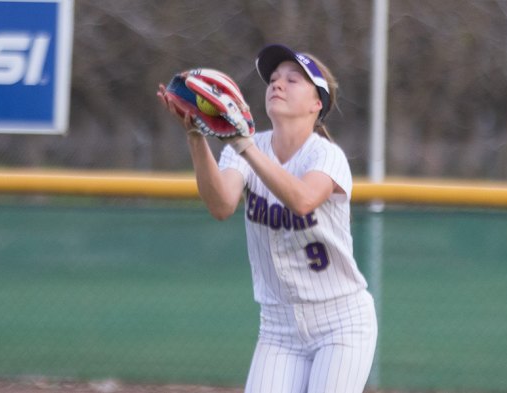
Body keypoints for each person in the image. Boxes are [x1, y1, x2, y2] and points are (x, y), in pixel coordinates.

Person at [157, 44, 377, 393]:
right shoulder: (244, 149)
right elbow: (221, 205)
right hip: (278, 327)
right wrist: (196, 136)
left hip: (341, 322)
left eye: (293, 80)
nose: (277, 84)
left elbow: (302, 200)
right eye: (273, 79)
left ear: (316, 104)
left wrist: (245, 146)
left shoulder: (327, 156)